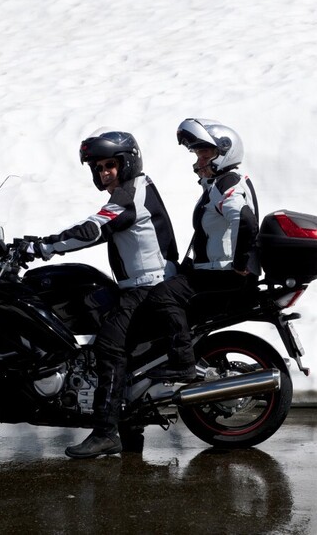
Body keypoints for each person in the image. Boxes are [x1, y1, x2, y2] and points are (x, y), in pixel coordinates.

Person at [23, 128, 179, 458]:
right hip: (144, 283)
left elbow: (93, 229)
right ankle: (128, 417)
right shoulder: (134, 189)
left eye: (110, 165)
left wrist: (45, 246)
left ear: (127, 162)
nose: (105, 173)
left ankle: (107, 431)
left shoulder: (129, 196)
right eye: (99, 168)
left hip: (147, 287)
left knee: (109, 346)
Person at [134, 118, 260, 382]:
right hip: (214, 269)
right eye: (198, 153)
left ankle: (182, 363)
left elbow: (245, 220)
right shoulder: (218, 185)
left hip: (224, 274)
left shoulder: (227, 184)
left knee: (162, 296)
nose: (200, 159)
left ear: (224, 153)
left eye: (206, 153)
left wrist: (241, 264)